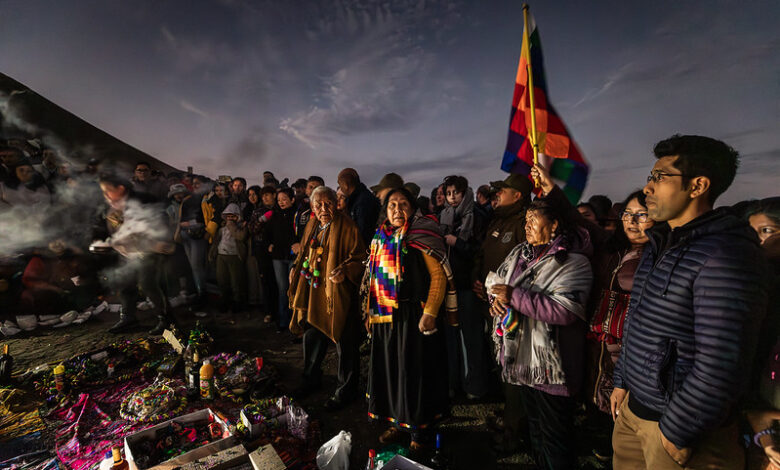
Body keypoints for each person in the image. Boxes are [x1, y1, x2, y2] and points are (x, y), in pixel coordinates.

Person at [610, 135, 769, 469]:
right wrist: (623, 381)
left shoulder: (725, 254)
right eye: (650, 176)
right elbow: (637, 320)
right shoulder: (659, 244)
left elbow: (723, 360)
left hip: (676, 429)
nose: (648, 187)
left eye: (660, 177)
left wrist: (679, 429)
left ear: (698, 186)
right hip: (635, 412)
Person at [488, 197, 593, 469]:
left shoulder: (573, 261)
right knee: (535, 433)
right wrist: (497, 301)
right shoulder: (520, 254)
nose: (527, 225)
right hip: (523, 362)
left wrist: (513, 297)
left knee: (555, 439)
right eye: (526, 220)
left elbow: (564, 310)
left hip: (552, 368)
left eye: (534, 219)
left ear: (555, 224)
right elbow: (499, 282)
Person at [364, 188, 457, 450]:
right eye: (392, 205)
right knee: (392, 371)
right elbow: (373, 279)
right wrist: (369, 312)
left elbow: (438, 276)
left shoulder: (422, 233)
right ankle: (397, 422)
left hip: (414, 315)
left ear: (412, 208)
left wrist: (430, 313)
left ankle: (418, 431)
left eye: (403, 204)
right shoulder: (381, 237)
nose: (397, 209)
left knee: (413, 372)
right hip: (385, 316)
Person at [583, 189, 654, 461]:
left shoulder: (659, 255)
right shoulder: (612, 248)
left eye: (641, 215)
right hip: (602, 337)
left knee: (624, 405)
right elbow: (577, 220)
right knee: (598, 392)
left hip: (632, 345)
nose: (632, 221)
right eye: (627, 214)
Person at [288, 186, 366, 409]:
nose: (323, 208)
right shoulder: (312, 225)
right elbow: (305, 251)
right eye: (318, 205)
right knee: (312, 337)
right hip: (314, 291)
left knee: (346, 342)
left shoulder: (348, 226)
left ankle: (346, 390)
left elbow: (361, 259)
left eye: (328, 203)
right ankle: (311, 379)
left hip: (339, 295)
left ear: (336, 204)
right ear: (312, 207)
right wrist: (295, 267)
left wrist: (345, 271)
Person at [92, 173, 175, 334]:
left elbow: (161, 221)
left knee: (148, 284)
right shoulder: (109, 205)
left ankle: (167, 320)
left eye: (108, 190)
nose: (105, 195)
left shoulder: (144, 200)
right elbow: (102, 225)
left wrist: (160, 241)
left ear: (120, 188)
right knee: (125, 283)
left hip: (149, 250)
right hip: (126, 251)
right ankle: (128, 318)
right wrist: (102, 240)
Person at [439, 174, 488, 399]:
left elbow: (480, 250)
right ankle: (454, 382)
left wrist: (457, 242)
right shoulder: (445, 215)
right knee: (451, 336)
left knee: (471, 336)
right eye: (448, 193)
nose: (452, 197)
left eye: (455, 193)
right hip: (450, 284)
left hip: (468, 284)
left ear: (464, 192)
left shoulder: (476, 216)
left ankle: (474, 385)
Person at [742, 197, 780, 470]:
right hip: (759, 407)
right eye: (750, 232)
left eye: (767, 230)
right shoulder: (754, 281)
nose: (757, 240)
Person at [169, 183, 208, 306]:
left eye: (180, 193)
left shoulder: (194, 201)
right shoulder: (172, 207)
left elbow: (202, 218)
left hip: (195, 235)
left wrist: (188, 223)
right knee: (191, 266)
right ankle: (195, 292)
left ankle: (202, 293)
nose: (179, 195)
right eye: (176, 194)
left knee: (196, 265)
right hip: (183, 237)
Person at [265, 188, 298, 332]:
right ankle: (283, 321)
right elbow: (267, 233)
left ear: (292, 199)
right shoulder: (275, 215)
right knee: (282, 289)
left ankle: (295, 321)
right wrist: (269, 244)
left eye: (284, 199)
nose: (281, 202)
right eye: (279, 200)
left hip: (292, 257)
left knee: (293, 289)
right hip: (278, 257)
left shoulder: (297, 215)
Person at [208, 203, 248, 314]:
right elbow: (217, 241)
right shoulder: (222, 228)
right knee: (222, 280)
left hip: (234, 256)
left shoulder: (241, 227)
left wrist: (232, 226)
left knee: (236, 281)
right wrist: (212, 253)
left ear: (237, 216)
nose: (230, 219)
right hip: (221, 255)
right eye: (228, 216)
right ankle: (225, 302)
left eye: (232, 216)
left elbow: (240, 237)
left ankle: (237, 303)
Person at [337, 168, 380, 245]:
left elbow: (363, 232)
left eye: (340, 185)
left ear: (345, 185)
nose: (341, 188)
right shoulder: (359, 198)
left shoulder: (362, 202)